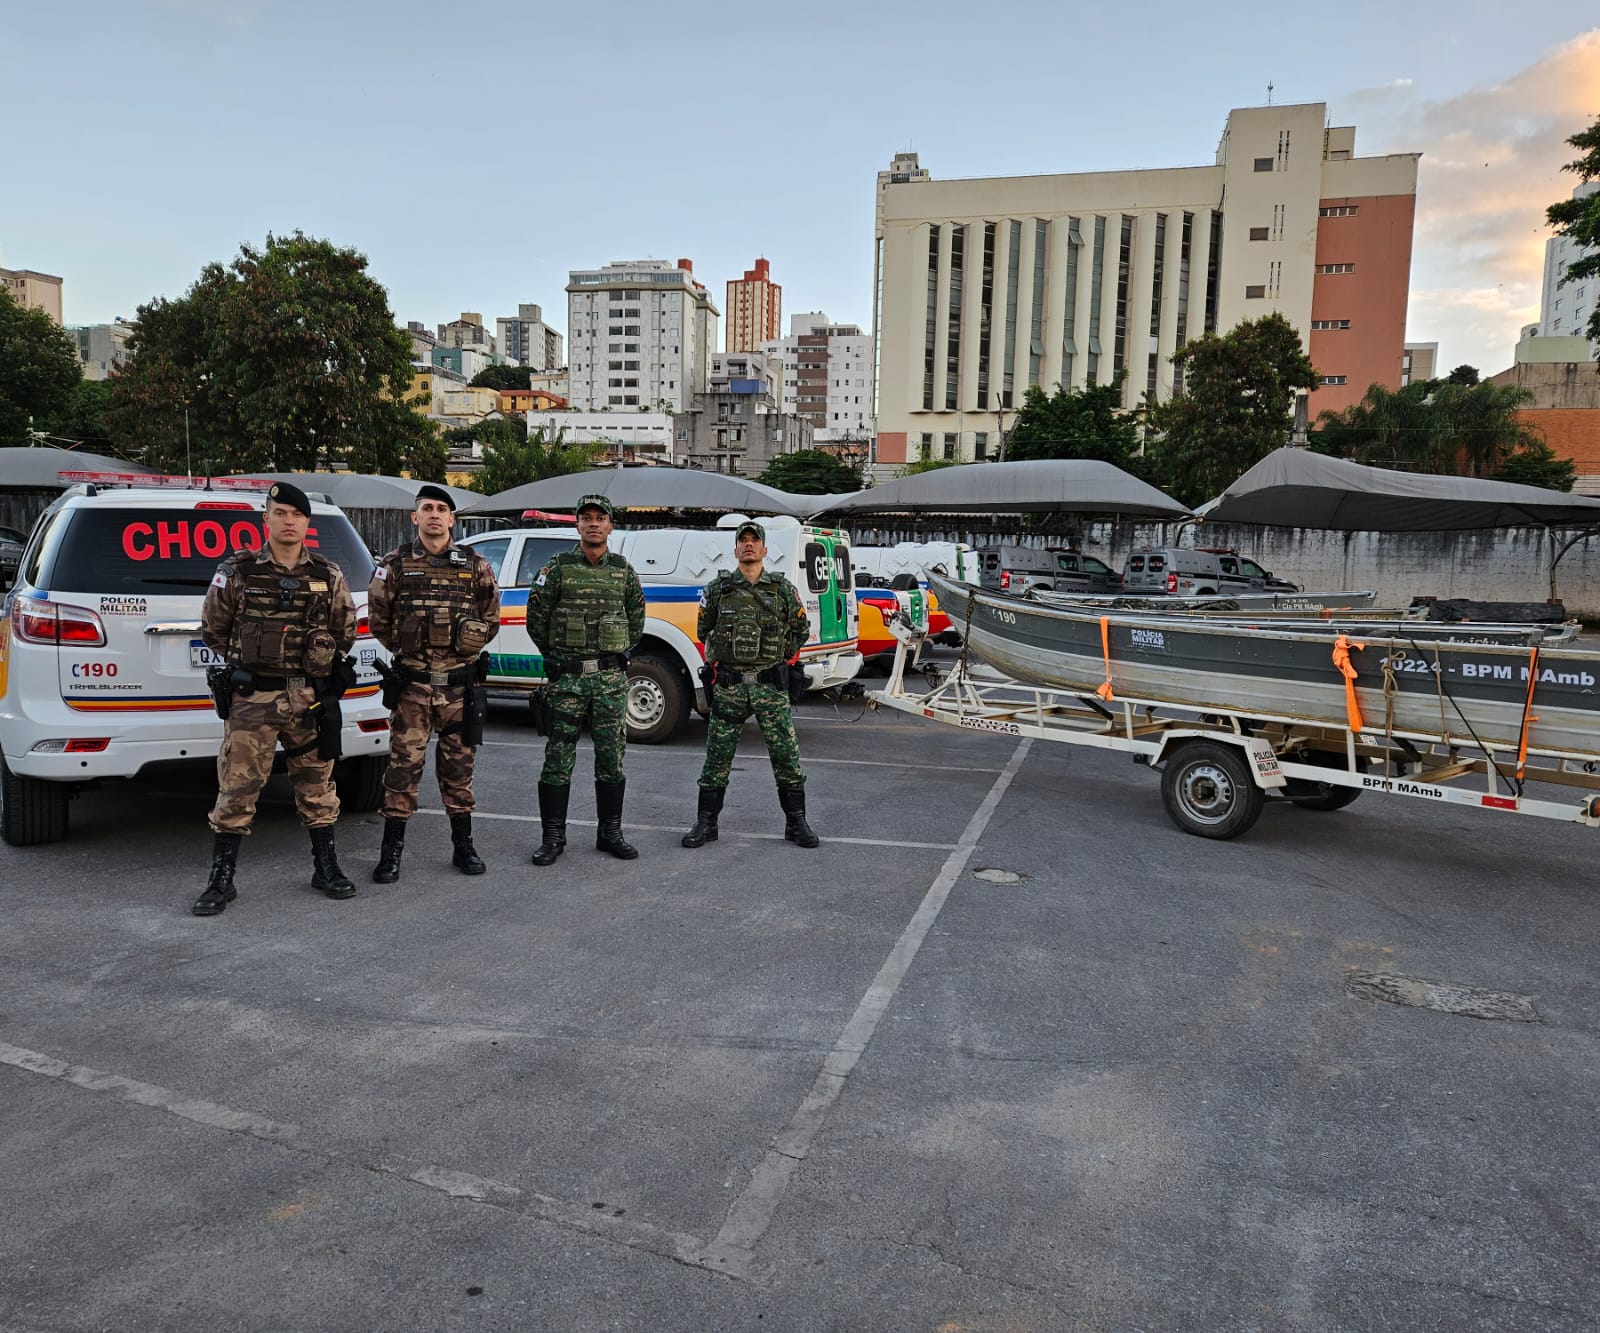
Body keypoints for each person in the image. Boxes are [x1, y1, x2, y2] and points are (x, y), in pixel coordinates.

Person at [194, 480, 358, 916]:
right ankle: (221, 881)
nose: (289, 521)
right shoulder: (239, 570)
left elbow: (346, 632)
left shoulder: (327, 574)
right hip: (254, 698)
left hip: (309, 699)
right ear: (265, 519)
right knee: (238, 788)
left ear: (307, 522)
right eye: (280, 513)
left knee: (317, 786)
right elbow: (213, 628)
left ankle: (326, 868)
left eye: (297, 515)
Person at [367, 484, 501, 883]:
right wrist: (409, 649)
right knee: (402, 771)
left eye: (442, 509)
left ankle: (464, 847)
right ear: (415, 517)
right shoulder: (395, 564)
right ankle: (391, 854)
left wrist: (466, 645)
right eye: (427, 508)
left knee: (459, 771)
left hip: (459, 688)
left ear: (452, 519)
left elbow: (491, 617)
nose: (434, 515)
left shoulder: (475, 565)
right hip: (413, 687)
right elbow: (378, 618)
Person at [681, 519, 819, 850]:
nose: (748, 545)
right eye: (743, 540)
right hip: (730, 687)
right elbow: (704, 630)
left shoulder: (783, 590)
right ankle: (706, 823)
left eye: (754, 541)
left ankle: (796, 823)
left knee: (786, 756)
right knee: (716, 758)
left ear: (764, 549)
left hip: (770, 688)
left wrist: (779, 659)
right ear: (735, 549)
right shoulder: (718, 590)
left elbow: (800, 630)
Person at [525, 494, 646, 865]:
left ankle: (609, 833)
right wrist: (559, 657)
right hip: (568, 681)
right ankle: (553, 837)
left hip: (610, 680)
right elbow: (536, 619)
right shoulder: (557, 568)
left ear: (610, 526)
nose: (594, 523)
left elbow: (636, 620)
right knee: (558, 758)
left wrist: (617, 654)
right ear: (577, 524)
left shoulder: (623, 571)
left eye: (601, 518)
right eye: (586, 518)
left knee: (612, 759)